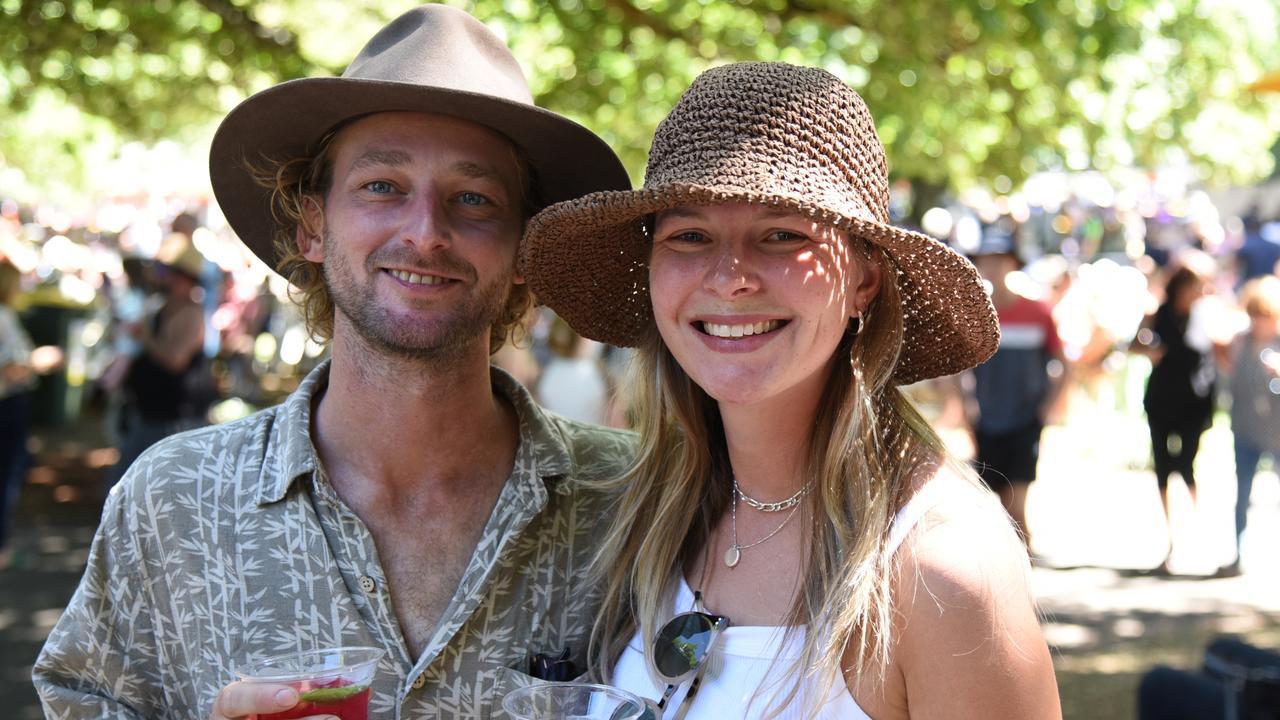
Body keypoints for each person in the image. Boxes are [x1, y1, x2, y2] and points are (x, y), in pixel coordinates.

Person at [34, 6, 632, 719]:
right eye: (382, 186)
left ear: (526, 249)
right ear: (312, 226)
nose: (425, 233)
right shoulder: (171, 503)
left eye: (474, 199)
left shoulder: (631, 506)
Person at [522, 62, 1061, 719]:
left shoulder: (941, 572)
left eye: (782, 235)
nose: (729, 277)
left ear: (865, 281)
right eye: (690, 237)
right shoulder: (648, 514)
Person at [966, 227, 1067, 551]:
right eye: (987, 260)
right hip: (986, 418)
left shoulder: (1038, 313)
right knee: (990, 495)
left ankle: (1023, 556)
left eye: (1000, 259)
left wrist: (1051, 404)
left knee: (1017, 499)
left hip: (1025, 417)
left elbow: (1065, 363)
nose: (993, 266)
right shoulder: (977, 316)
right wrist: (963, 402)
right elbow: (958, 369)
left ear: (1013, 263)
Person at [1131, 253, 1217, 573]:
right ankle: (1171, 540)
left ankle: (1193, 537)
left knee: (1187, 466)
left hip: (1195, 401)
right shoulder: (1158, 314)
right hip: (1163, 400)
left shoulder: (1205, 315)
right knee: (1165, 469)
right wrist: (1149, 348)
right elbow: (1134, 344)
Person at [111, 232, 209, 484]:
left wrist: (145, 337)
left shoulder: (190, 313)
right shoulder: (161, 306)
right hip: (150, 413)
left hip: (171, 420)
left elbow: (176, 360)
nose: (160, 277)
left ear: (184, 278)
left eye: (167, 272)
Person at [1215, 275, 1280, 577]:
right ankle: (1238, 554)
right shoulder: (1241, 341)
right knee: (1241, 493)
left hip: (1276, 431)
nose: (1259, 323)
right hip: (1245, 429)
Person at [0, 259, 36, 567]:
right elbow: (11, 369)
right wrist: (40, 362)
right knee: (7, 473)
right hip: (7, 403)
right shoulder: (4, 318)